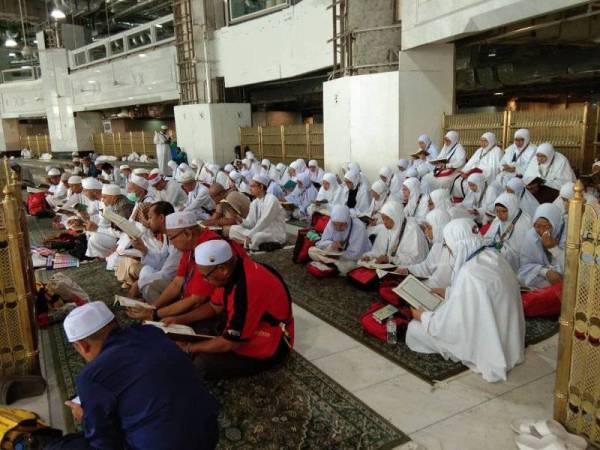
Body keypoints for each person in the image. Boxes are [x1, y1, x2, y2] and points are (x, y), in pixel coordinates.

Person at [45, 302, 218, 450]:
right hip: (209, 431)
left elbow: (103, 443)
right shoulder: (151, 332)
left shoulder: (91, 376)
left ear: (82, 346)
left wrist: (85, 419)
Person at [406, 218, 525, 383]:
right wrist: (447, 293)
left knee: (413, 329)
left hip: (482, 343)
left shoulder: (469, 273)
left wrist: (423, 317)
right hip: (508, 340)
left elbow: (453, 325)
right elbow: (477, 298)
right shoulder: (494, 257)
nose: (449, 250)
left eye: (448, 246)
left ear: (457, 243)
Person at [161, 240, 293, 380]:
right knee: (187, 329)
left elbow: (230, 343)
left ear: (222, 269)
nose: (205, 280)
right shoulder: (233, 270)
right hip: (247, 319)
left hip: (270, 340)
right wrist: (179, 319)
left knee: (202, 364)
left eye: (206, 276)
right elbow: (214, 307)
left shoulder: (246, 287)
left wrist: (189, 348)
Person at [125, 202, 181, 303]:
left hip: (178, 281)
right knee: (146, 269)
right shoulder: (167, 235)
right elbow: (162, 260)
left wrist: (138, 284)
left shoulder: (178, 238)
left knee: (148, 286)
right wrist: (143, 249)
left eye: (150, 217)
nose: (148, 221)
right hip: (168, 274)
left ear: (161, 218)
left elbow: (167, 273)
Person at [394, 208, 453, 288]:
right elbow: (426, 267)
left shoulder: (450, 251)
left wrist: (414, 285)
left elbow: (439, 283)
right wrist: (408, 270)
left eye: (429, 228)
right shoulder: (438, 245)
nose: (426, 232)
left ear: (439, 227)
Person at [229, 174, 287, 251]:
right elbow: (250, 223)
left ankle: (246, 243)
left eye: (252, 186)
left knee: (257, 237)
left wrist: (250, 235)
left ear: (261, 187)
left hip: (274, 234)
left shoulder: (271, 200)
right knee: (233, 229)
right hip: (258, 231)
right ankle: (248, 243)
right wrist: (239, 219)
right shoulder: (254, 202)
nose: (250, 189)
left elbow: (264, 221)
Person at [360, 201, 428, 266]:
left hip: (407, 271)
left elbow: (416, 259)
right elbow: (379, 251)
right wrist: (370, 256)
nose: (385, 222)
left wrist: (391, 259)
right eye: (383, 219)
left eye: (387, 218)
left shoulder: (412, 230)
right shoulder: (385, 229)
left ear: (395, 216)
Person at [308, 205, 371, 275]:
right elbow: (322, 242)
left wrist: (338, 255)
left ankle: (329, 264)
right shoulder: (332, 222)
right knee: (311, 251)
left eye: (341, 225)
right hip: (333, 254)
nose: (338, 228)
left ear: (347, 221)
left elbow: (356, 254)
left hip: (350, 258)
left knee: (347, 266)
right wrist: (331, 244)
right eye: (335, 225)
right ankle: (331, 265)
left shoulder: (359, 228)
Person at [518, 203, 565, 289]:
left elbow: (571, 267)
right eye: (537, 226)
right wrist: (545, 272)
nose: (542, 231)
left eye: (546, 226)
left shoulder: (567, 235)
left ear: (555, 224)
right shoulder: (531, 236)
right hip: (544, 277)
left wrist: (553, 248)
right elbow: (525, 267)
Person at [483, 192, 532, 272]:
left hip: (514, 261)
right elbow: (489, 237)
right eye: (497, 211)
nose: (499, 215)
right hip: (498, 251)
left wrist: (499, 251)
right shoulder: (498, 219)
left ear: (512, 208)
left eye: (504, 211)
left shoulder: (524, 224)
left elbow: (522, 254)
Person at [85, 184, 134, 259]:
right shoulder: (116, 204)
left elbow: (122, 232)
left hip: (129, 240)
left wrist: (98, 229)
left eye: (104, 197)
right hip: (121, 237)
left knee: (112, 261)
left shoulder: (124, 208)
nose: (103, 200)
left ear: (113, 198)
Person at [453, 132, 503, 198]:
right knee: (457, 180)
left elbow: (494, 168)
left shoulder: (497, 151)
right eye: (481, 140)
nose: (482, 143)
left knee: (473, 179)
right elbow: (470, 162)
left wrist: (478, 172)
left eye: (485, 141)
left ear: (491, 140)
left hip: (486, 175)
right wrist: (465, 171)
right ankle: (462, 198)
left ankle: (475, 201)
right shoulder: (480, 150)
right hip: (474, 172)